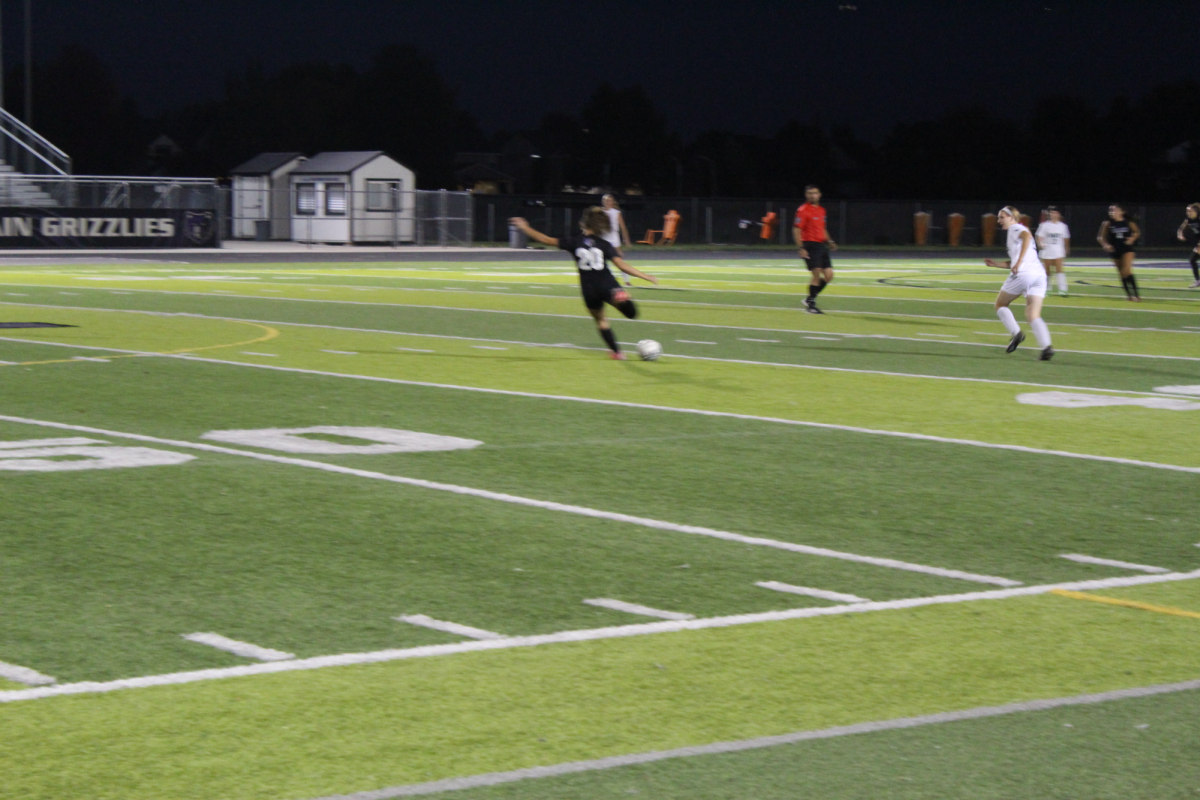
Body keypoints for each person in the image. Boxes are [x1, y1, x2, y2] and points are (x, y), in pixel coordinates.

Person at [509, 208, 658, 360]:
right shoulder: (605, 244)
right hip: (607, 284)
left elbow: (545, 239)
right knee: (632, 314)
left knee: (601, 320)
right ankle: (621, 298)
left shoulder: (574, 241)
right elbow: (621, 265)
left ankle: (617, 353)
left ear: (584, 223)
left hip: (588, 289)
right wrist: (645, 276)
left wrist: (525, 228)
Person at [984, 206, 1054, 360]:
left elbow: (1026, 238)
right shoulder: (1018, 231)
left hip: (1024, 274)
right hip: (1039, 275)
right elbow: (1014, 261)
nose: (999, 221)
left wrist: (1019, 262)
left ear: (1011, 217)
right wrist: (996, 264)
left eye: (1001, 217)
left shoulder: (1015, 228)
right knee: (1032, 314)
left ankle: (1016, 333)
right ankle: (1046, 347)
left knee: (1000, 304)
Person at [793, 184, 837, 314]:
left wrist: (830, 241)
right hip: (809, 245)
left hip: (821, 245)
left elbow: (822, 228)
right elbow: (796, 229)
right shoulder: (802, 210)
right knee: (816, 273)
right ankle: (811, 305)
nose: (813, 195)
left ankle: (809, 299)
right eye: (810, 193)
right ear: (806, 195)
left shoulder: (822, 210)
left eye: (815, 193)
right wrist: (801, 247)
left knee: (829, 275)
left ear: (820, 194)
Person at [1097, 204, 1141, 301]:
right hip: (1114, 250)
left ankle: (1136, 295)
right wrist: (1106, 245)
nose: (1112, 212)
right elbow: (1100, 237)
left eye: (1115, 210)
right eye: (1111, 210)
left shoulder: (1128, 222)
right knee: (1121, 273)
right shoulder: (1107, 223)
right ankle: (1129, 295)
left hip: (1127, 249)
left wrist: (1132, 239)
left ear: (1122, 212)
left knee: (1126, 270)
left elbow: (1137, 232)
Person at [1036, 206, 1071, 296]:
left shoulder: (1063, 226)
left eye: (1054, 213)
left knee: (1059, 270)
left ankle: (1063, 290)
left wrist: (1066, 248)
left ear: (1058, 214)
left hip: (1058, 250)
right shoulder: (1044, 225)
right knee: (1047, 271)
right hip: (1047, 250)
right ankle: (1047, 289)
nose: (1052, 215)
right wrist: (1041, 244)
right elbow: (1039, 237)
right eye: (1051, 213)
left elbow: (1066, 238)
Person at [601, 194, 633, 286]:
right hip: (604, 237)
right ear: (603, 202)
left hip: (614, 237)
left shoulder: (616, 212)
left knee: (619, 259)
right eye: (607, 201)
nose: (608, 203)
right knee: (603, 259)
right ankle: (610, 278)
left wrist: (626, 239)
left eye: (610, 201)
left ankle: (627, 280)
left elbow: (623, 227)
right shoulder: (600, 212)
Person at [1176, 203, 1200, 288]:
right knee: (1192, 260)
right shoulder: (1189, 219)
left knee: (1193, 259)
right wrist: (1180, 234)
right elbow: (1181, 228)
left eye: (1191, 211)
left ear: (1196, 211)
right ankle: (1198, 281)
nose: (1188, 212)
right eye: (1187, 211)